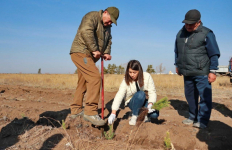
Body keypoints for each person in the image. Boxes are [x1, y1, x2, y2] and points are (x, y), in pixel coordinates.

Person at [69, 7, 119, 126]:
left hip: (90, 56)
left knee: (84, 82)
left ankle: (76, 111)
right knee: (95, 78)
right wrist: (94, 49)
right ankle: (90, 112)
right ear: (105, 13)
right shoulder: (91, 16)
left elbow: (108, 40)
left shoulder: (107, 27)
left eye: (112, 22)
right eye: (110, 20)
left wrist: (106, 52)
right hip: (81, 52)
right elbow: (86, 31)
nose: (110, 23)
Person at [174, 9, 220, 129]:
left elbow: (214, 53)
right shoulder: (180, 33)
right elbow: (177, 51)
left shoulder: (207, 33)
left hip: (202, 72)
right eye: (186, 23)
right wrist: (177, 65)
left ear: (198, 22)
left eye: (191, 23)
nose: (188, 26)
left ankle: (202, 120)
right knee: (190, 96)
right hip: (187, 72)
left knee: (204, 97)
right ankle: (192, 116)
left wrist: (213, 70)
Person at [108, 60, 159, 125]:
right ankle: (134, 116)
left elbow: (152, 92)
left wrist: (150, 104)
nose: (132, 75)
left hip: (144, 100)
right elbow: (119, 95)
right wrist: (113, 113)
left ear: (139, 71)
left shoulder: (147, 76)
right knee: (140, 94)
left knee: (155, 114)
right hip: (132, 102)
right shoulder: (126, 80)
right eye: (130, 72)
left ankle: (143, 115)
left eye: (134, 72)